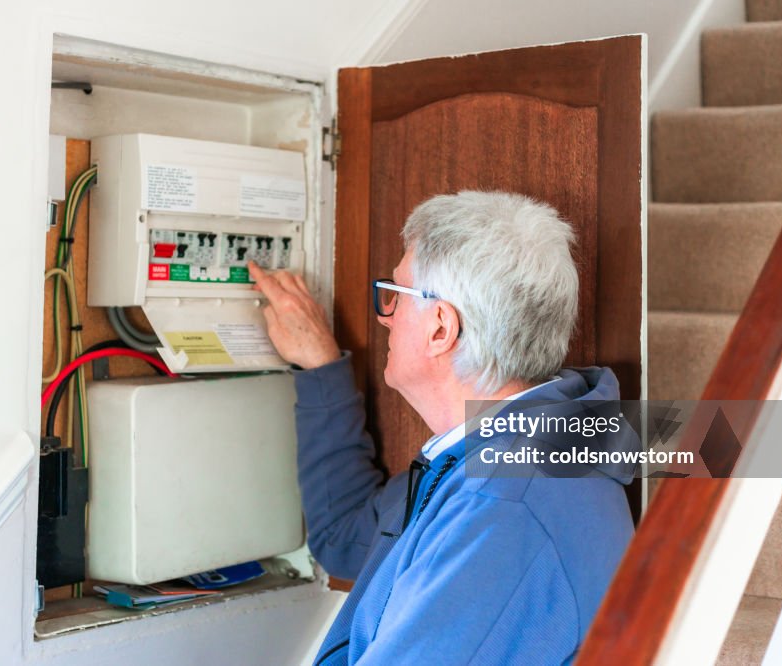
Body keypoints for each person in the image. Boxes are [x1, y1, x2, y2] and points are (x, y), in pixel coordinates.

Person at [248, 191, 635, 665]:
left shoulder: (504, 506)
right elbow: (349, 537)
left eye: (395, 296)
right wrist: (321, 369)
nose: (383, 317)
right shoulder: (500, 452)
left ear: (440, 328)